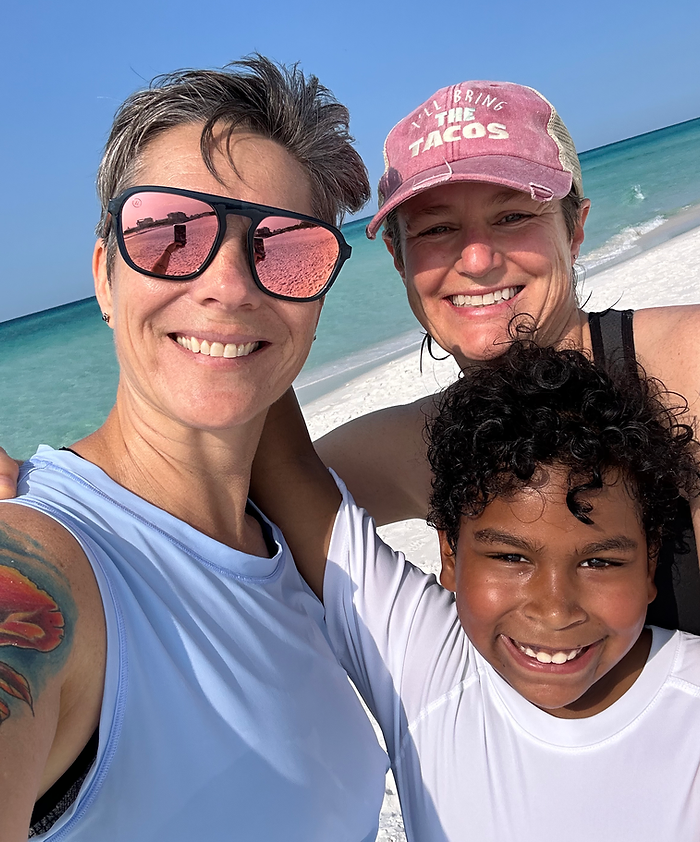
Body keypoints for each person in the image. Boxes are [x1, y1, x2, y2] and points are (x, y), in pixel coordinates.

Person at [0, 57, 388, 841]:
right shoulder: (45, 563)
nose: (231, 286)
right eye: (171, 234)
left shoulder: (310, 551)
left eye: (287, 249)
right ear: (106, 276)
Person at [250, 341, 700, 841]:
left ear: (650, 559)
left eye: (599, 562)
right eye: (511, 558)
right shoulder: (428, 662)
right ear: (449, 553)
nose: (554, 610)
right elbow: (283, 465)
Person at [314, 80, 700, 632]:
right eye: (437, 228)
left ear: (576, 228)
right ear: (399, 259)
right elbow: (226, 516)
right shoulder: (406, 444)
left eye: (514, 216)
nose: (475, 258)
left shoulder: (687, 367)